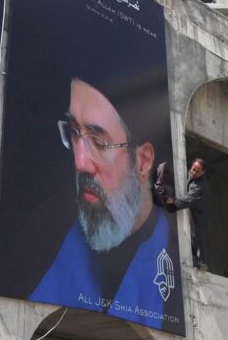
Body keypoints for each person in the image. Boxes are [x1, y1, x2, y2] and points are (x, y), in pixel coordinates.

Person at [30, 77, 182, 331]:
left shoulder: (177, 270)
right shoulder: (40, 232)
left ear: (143, 162)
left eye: (99, 142)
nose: (80, 162)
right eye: (74, 132)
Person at [167, 158, 209, 270]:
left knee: (197, 236)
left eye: (197, 171)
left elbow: (188, 199)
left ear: (203, 172)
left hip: (199, 210)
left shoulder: (200, 187)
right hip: (193, 207)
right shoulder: (190, 173)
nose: (193, 172)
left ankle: (201, 262)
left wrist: (173, 203)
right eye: (193, 169)